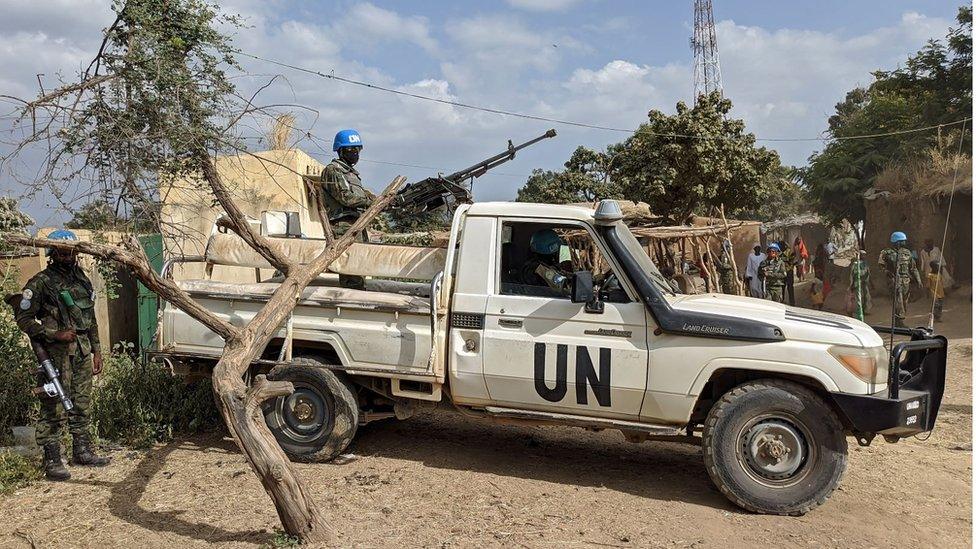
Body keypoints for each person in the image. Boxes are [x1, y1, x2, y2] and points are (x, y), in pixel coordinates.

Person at [13, 229, 110, 481]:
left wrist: (97, 350)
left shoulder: (82, 279)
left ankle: (82, 451)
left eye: (71, 249)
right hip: (55, 355)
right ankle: (53, 460)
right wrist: (53, 335)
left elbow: (90, 320)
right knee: (54, 404)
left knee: (81, 402)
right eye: (62, 249)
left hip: (81, 351)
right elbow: (23, 318)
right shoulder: (40, 282)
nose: (67, 254)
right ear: (52, 252)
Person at [320, 129, 375, 290]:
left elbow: (361, 196)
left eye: (357, 150)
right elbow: (345, 197)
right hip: (343, 225)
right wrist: (369, 201)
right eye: (351, 150)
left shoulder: (351, 174)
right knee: (350, 268)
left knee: (360, 265)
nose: (355, 153)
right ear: (341, 150)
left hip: (356, 224)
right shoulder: (333, 170)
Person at [878, 231, 921, 328]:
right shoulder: (886, 253)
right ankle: (899, 322)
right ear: (897, 242)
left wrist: (918, 279)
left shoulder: (907, 253)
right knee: (898, 301)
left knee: (905, 301)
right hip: (894, 280)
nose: (904, 243)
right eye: (902, 241)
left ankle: (899, 320)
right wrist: (886, 272)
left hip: (906, 280)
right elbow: (880, 265)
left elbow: (913, 268)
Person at [522, 228, 571, 295]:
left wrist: (560, 266)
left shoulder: (533, 264)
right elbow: (564, 286)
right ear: (552, 250)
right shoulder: (537, 268)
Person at [848, 250, 872, 318]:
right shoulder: (856, 264)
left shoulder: (865, 263)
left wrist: (870, 282)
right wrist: (852, 284)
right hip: (857, 283)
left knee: (866, 297)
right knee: (859, 298)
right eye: (863, 255)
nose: (864, 256)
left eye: (865, 255)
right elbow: (853, 274)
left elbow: (868, 273)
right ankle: (858, 311)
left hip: (864, 283)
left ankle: (864, 310)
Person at [779, 240, 797, 305]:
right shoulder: (778, 253)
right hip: (781, 272)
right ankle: (781, 301)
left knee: (790, 287)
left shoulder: (790, 252)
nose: (780, 247)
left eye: (781, 246)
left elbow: (794, 261)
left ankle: (792, 302)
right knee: (782, 287)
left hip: (789, 271)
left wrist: (788, 261)